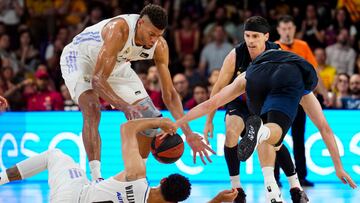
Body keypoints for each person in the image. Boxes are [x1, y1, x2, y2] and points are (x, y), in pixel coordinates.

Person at [174, 49, 357, 202]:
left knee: (269, 137)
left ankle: (271, 190)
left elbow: (211, 103)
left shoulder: (247, 69)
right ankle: (263, 136)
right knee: (273, 133)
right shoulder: (301, 86)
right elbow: (324, 128)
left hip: (256, 77)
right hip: (285, 80)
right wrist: (338, 166)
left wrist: (177, 123)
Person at [60, 4, 214, 180]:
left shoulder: (159, 46)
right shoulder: (119, 30)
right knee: (92, 108)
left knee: (149, 118)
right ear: (140, 23)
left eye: (159, 35)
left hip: (116, 65)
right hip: (80, 58)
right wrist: (124, 106)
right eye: (151, 34)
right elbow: (97, 80)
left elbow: (170, 95)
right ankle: (96, 178)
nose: (154, 40)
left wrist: (188, 133)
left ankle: (137, 178)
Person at [0, 117, 235, 203]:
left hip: (74, 196)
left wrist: (157, 122)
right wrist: (215, 200)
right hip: (81, 191)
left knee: (55, 154)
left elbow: (126, 128)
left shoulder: (137, 177)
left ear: (162, 181)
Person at [203, 16, 307, 202]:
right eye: (247, 35)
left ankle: (295, 187)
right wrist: (209, 120)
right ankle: (237, 189)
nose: (250, 40)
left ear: (266, 37)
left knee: (275, 142)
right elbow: (218, 88)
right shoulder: (235, 55)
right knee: (231, 131)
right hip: (240, 102)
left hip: (264, 102)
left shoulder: (277, 53)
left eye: (255, 36)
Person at [275, 14, 325, 187]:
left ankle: (301, 176)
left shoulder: (303, 46)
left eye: (290, 28)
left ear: (294, 29)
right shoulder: (274, 47)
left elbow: (314, 70)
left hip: (300, 99)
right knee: (275, 138)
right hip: (279, 100)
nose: (287, 31)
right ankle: (275, 177)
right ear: (279, 30)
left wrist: (322, 92)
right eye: (284, 28)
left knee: (298, 138)